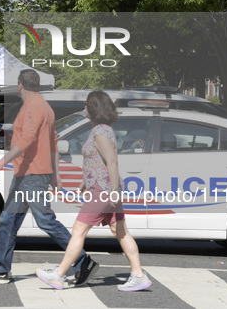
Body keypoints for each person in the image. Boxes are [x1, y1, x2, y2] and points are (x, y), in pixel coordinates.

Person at [0, 69, 97, 285]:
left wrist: (3, 161)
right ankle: (0, 270)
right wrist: (55, 175)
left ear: (20, 85)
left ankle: (83, 260)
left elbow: (27, 140)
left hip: (33, 175)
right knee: (8, 221)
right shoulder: (44, 107)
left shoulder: (33, 107)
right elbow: (54, 142)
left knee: (45, 221)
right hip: (27, 175)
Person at [35, 90, 151, 291]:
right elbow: (97, 161)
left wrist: (113, 190)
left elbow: (111, 161)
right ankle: (138, 275)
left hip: (104, 190)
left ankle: (59, 275)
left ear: (93, 108)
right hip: (103, 186)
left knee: (79, 230)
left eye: (86, 105)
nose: (84, 108)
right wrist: (85, 181)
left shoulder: (100, 132)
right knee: (120, 230)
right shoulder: (102, 129)